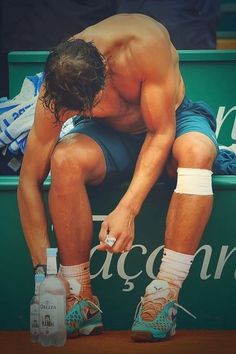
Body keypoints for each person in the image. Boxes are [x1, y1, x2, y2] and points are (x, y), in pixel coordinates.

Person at [17, 14, 218, 342]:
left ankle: (163, 294)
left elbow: (160, 132)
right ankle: (79, 297)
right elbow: (28, 181)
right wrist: (45, 272)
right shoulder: (57, 89)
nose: (73, 113)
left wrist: (128, 207)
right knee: (64, 157)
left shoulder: (143, 43)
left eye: (84, 107)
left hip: (171, 122)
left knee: (197, 152)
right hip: (108, 137)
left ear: (105, 73)